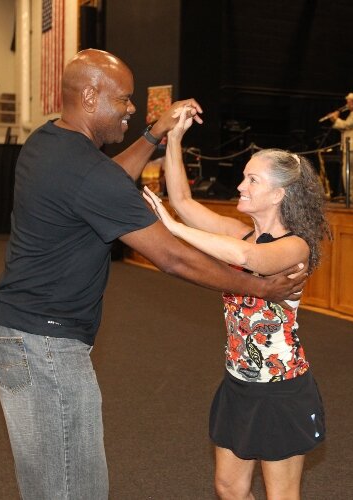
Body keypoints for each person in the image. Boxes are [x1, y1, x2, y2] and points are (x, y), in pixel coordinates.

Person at [0, 49, 306, 500]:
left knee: (49, 479)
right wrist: (259, 288)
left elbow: (108, 181)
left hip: (15, 332)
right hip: (45, 346)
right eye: (126, 100)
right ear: (92, 96)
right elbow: (172, 258)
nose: (132, 109)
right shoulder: (88, 173)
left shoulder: (48, 143)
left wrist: (155, 136)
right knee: (74, 486)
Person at [143, 105, 329, 500]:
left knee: (281, 495)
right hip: (239, 381)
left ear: (279, 193)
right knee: (228, 487)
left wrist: (173, 229)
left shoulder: (295, 246)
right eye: (244, 176)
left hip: (280, 388)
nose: (241, 186)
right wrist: (174, 138)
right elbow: (182, 199)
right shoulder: (241, 234)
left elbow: (250, 262)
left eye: (252, 179)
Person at [328, 92, 353, 204]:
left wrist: (336, 118)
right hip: (348, 146)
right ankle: (350, 197)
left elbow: (346, 125)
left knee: (350, 173)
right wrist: (334, 121)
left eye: (349, 102)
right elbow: (345, 129)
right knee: (347, 173)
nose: (347, 104)